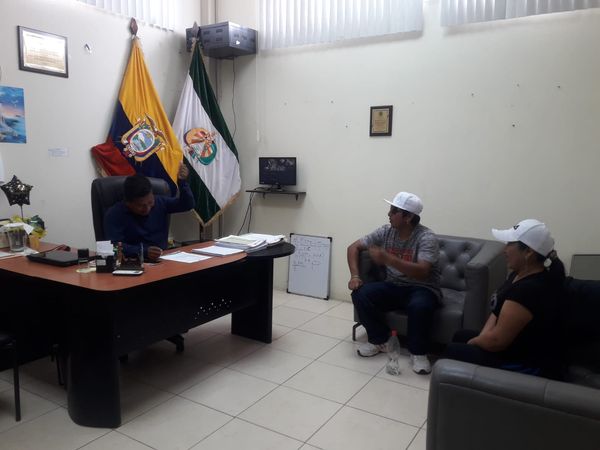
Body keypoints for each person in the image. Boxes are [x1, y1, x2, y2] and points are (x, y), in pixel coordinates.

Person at [443, 219, 566, 379]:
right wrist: (482, 338)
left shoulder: (529, 290)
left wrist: (475, 342)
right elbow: (497, 311)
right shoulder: (518, 274)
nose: (504, 250)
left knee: (455, 350)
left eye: (509, 244)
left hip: (526, 363)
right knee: (461, 336)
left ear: (528, 252)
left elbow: (497, 341)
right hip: (510, 345)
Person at [348, 191, 441, 374]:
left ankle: (418, 353)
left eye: (393, 211)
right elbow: (353, 247)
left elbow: (423, 271)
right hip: (394, 285)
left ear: (408, 217)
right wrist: (355, 276)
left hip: (422, 287)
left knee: (420, 305)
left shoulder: (426, 237)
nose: (388, 214)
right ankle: (379, 340)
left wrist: (389, 259)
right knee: (360, 293)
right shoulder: (386, 231)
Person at [104, 163, 195, 262]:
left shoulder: (160, 202)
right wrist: (143, 251)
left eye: (150, 202)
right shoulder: (114, 214)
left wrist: (182, 182)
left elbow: (187, 204)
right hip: (132, 263)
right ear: (128, 203)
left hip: (163, 259)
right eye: (141, 205)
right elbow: (113, 246)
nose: (147, 208)